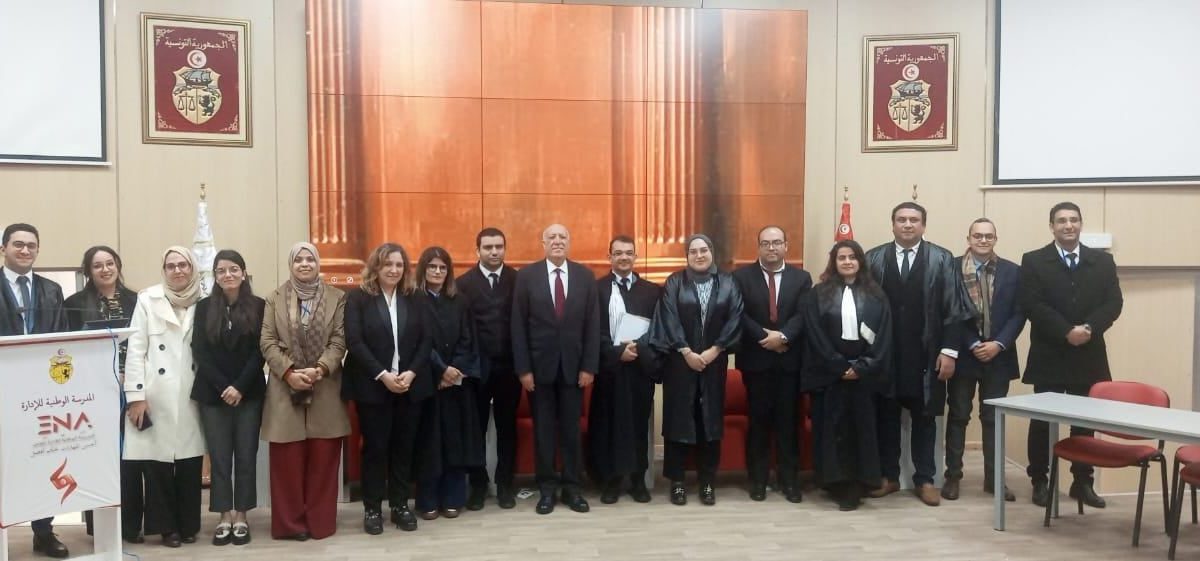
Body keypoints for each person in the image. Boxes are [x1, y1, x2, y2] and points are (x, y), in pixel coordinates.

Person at [864, 202, 974, 507]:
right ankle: (888, 476)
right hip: (885, 354)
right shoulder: (874, 258)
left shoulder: (942, 259)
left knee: (925, 418)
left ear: (923, 225)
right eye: (901, 219)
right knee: (886, 416)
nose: (907, 224)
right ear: (893, 224)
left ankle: (925, 479)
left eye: (914, 220)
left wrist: (949, 352)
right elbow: (863, 307)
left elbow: (954, 308)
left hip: (927, 354)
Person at [1020, 202, 1123, 509]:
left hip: (1088, 353)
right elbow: (1032, 304)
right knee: (1042, 422)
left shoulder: (1102, 261)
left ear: (1081, 224)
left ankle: (1082, 482)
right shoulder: (1034, 260)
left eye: (1074, 220)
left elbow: (1113, 302)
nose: (1068, 225)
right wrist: (1066, 331)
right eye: (1062, 220)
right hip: (1049, 352)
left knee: (1084, 423)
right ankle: (1040, 481)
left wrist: (1089, 328)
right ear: (1051, 226)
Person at [260, 242, 349, 540]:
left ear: (318, 263)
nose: (304, 264)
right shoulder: (274, 299)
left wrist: (319, 369)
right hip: (284, 388)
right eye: (298, 259)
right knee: (287, 462)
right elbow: (267, 341)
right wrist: (289, 373)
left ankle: (320, 523)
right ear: (291, 265)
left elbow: (339, 340)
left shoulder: (338, 298)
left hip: (325, 387)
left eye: (310, 258)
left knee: (323, 461)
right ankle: (291, 525)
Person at [511, 223, 600, 515]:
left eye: (563, 236)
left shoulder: (585, 276)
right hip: (539, 372)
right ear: (543, 243)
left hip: (575, 371)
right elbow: (518, 326)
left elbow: (592, 325)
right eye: (552, 237)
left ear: (569, 242)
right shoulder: (526, 276)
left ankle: (573, 489)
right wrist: (524, 370)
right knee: (544, 433)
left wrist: (589, 366)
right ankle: (547, 489)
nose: (558, 241)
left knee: (572, 432)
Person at [342, 243, 430, 534]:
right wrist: (383, 375)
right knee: (376, 449)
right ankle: (372, 509)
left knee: (404, 448)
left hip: (409, 386)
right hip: (373, 387)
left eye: (399, 265)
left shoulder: (415, 297)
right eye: (387, 264)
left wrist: (411, 373)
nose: (394, 270)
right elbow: (354, 342)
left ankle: (400, 505)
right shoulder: (358, 298)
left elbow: (426, 340)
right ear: (376, 267)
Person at [651, 234, 743, 506]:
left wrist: (715, 349)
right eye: (693, 251)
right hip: (680, 364)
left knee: (709, 421)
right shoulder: (674, 282)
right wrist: (686, 351)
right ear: (687, 256)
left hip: (714, 363)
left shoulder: (728, 282)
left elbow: (735, 317)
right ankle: (677, 482)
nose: (699, 255)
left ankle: (707, 482)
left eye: (704, 250)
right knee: (678, 420)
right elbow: (669, 317)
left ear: (712, 252)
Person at [123, 247, 206, 547]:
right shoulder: (148, 298)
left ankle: (188, 525)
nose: (177, 270)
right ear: (164, 270)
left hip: (192, 393)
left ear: (192, 268)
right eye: (171, 266)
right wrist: (135, 396)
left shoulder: (205, 300)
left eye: (183, 264)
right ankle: (166, 528)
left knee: (189, 462)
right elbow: (136, 348)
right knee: (156, 464)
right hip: (155, 392)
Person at [803, 240, 892, 511]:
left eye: (852, 257)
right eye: (841, 257)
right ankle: (835, 483)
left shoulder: (876, 294)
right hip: (830, 376)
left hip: (864, 377)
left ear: (860, 261)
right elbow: (815, 334)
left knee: (861, 431)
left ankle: (859, 483)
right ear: (834, 262)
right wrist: (839, 366)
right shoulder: (818, 294)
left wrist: (862, 367)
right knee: (833, 431)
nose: (847, 262)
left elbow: (884, 335)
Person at [64, 246, 143, 544]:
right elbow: (71, 350)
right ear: (88, 271)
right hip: (92, 392)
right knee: (97, 459)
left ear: (118, 266)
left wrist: (130, 377)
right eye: (98, 265)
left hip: (132, 389)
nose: (105, 269)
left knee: (131, 459)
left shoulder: (137, 300)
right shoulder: (74, 304)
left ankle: (131, 526)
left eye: (110, 263)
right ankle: (99, 528)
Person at [942, 219, 1024, 502]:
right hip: (964, 355)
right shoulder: (951, 268)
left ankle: (995, 479)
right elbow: (949, 309)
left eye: (989, 236)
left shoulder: (1013, 271)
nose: (983, 240)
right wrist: (973, 343)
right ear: (968, 238)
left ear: (995, 239)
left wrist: (998, 344)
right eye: (978, 235)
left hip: (999, 357)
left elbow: (1019, 313)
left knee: (993, 419)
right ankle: (953, 477)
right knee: (958, 416)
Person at [0, 223, 69, 558]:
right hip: (2, 386)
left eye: (31, 245)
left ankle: (43, 531)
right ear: (3, 249)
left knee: (45, 460)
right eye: (18, 244)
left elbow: (62, 336)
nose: (25, 250)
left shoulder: (51, 290)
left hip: (43, 392)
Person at [190, 250, 266, 545]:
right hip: (213, 394)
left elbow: (260, 350)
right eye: (221, 270)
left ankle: (242, 516)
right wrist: (224, 387)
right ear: (215, 276)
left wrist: (240, 387)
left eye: (234, 269)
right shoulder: (204, 307)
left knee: (246, 456)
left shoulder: (259, 306)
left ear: (243, 273)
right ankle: (223, 516)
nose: (228, 275)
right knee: (220, 458)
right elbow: (200, 350)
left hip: (249, 394)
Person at [732, 226, 812, 503]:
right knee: (759, 423)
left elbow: (803, 314)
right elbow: (739, 313)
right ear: (758, 246)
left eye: (777, 242)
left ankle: (789, 480)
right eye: (765, 243)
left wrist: (784, 336)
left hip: (789, 362)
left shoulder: (801, 278)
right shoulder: (741, 277)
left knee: (789, 423)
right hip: (756, 362)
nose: (771, 248)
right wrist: (765, 337)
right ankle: (758, 480)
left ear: (786, 245)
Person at [588, 235, 662, 504]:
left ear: (635, 257)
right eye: (618, 253)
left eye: (628, 253)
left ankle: (638, 480)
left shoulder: (652, 291)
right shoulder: (597, 290)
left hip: (639, 370)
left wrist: (638, 349)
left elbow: (658, 327)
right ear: (609, 257)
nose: (623, 257)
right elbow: (591, 330)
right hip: (610, 369)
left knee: (638, 426)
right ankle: (612, 481)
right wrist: (617, 351)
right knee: (609, 426)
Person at [412, 247, 482, 520]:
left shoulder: (460, 301)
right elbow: (416, 342)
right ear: (423, 269)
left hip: (456, 384)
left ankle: (454, 497)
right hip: (426, 383)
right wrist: (440, 370)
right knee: (429, 443)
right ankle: (427, 500)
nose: (437, 272)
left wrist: (454, 371)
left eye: (442, 267)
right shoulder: (412, 300)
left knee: (455, 440)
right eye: (432, 267)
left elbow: (468, 339)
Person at [457, 228, 521, 510]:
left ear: (505, 248)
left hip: (510, 367)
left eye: (498, 246)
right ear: (477, 251)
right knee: (475, 429)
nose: (494, 252)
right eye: (488, 247)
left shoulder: (518, 280)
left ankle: (505, 484)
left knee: (508, 427)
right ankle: (479, 484)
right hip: (476, 370)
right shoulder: (463, 284)